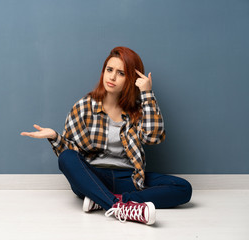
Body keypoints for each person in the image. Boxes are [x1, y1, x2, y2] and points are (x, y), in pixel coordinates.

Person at [21, 46, 192, 225]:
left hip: (130, 178)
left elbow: (153, 137)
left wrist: (147, 94)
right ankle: (118, 206)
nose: (112, 77)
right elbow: (74, 154)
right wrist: (55, 137)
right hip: (93, 177)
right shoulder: (84, 107)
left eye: (121, 73)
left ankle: (106, 201)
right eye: (109, 70)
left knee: (183, 188)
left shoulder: (138, 109)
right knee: (66, 157)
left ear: (131, 79)